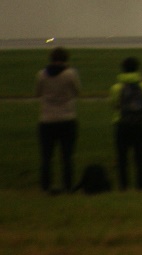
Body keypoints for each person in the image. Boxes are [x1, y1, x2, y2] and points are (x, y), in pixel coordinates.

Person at [36, 46, 80, 194]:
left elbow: (38, 93)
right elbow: (77, 92)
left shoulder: (42, 74)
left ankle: (46, 186)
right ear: (65, 59)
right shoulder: (70, 74)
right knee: (67, 156)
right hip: (67, 118)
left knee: (46, 157)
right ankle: (68, 186)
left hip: (47, 119)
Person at [109, 56, 142, 191]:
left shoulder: (116, 87)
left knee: (122, 159)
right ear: (137, 68)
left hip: (122, 125)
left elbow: (114, 104)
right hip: (140, 125)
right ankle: (141, 187)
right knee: (140, 158)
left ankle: (123, 187)